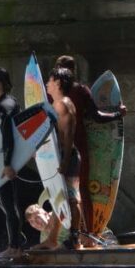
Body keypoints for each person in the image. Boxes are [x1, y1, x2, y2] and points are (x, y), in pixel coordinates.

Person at [53, 55, 127, 245]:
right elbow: (97, 116)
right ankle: (84, 235)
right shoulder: (79, 91)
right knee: (80, 191)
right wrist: (118, 113)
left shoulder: (56, 93)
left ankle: (78, 235)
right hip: (76, 148)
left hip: (62, 149)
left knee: (66, 191)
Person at [0, 66, 26, 261]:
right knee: (5, 202)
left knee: (8, 203)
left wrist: (8, 163)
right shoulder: (10, 101)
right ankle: (17, 240)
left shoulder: (4, 104)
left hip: (8, 160)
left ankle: (14, 247)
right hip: (9, 158)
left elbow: (8, 133)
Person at [47, 67, 84, 247]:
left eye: (50, 80)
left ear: (58, 83)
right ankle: (55, 238)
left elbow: (69, 136)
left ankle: (75, 238)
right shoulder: (57, 103)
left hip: (67, 156)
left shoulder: (63, 104)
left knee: (71, 198)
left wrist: (64, 162)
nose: (47, 83)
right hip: (62, 155)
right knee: (61, 196)